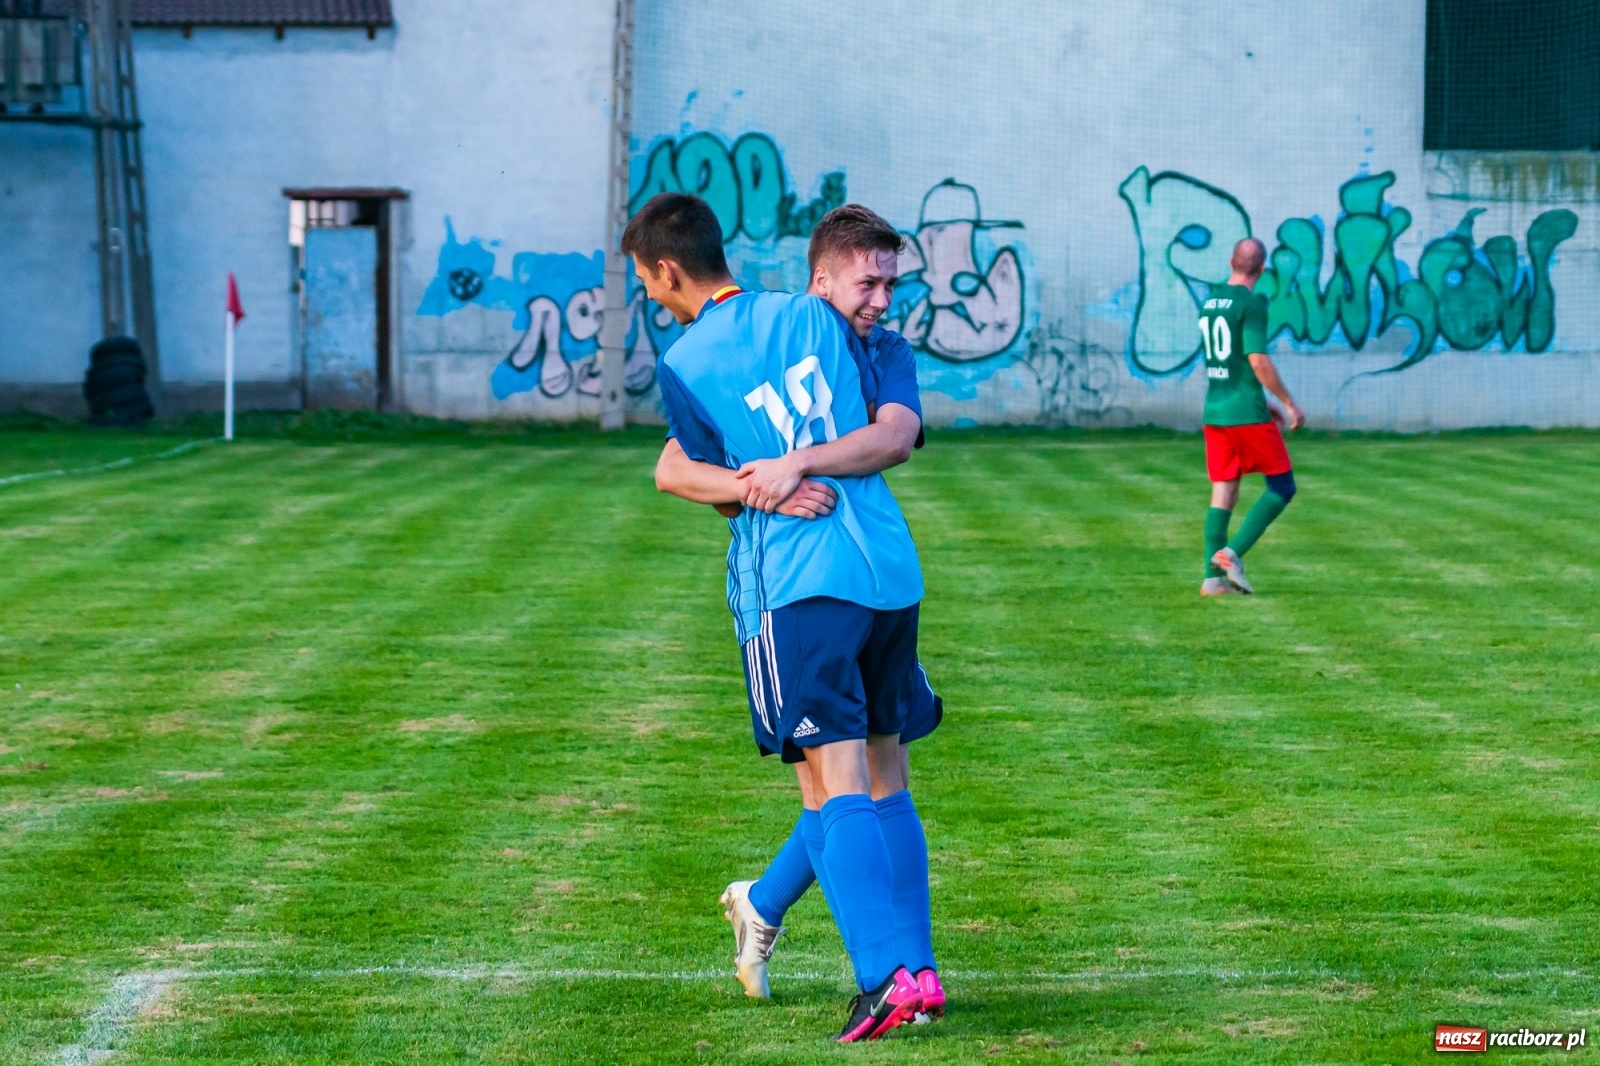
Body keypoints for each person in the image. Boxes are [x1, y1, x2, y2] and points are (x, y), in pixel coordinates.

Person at [627, 192, 929, 1041]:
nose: (879, 301)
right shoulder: (819, 322)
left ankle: (885, 979)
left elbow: (701, 481)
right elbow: (878, 432)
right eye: (870, 284)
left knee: (832, 786)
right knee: (876, 779)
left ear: (666, 271)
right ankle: (824, 931)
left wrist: (774, 477)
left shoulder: (687, 361)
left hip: (792, 584)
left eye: (644, 280)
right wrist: (784, 472)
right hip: (885, 569)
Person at [1198, 237, 1306, 596]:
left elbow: (1229, 360)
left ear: (1231, 262)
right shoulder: (1252, 304)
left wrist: (1265, 401)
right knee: (1282, 486)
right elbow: (1257, 361)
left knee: (1224, 489)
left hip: (1216, 409)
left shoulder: (1210, 302)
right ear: (1262, 269)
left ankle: (1212, 581)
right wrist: (1288, 402)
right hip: (1245, 412)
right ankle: (1230, 555)